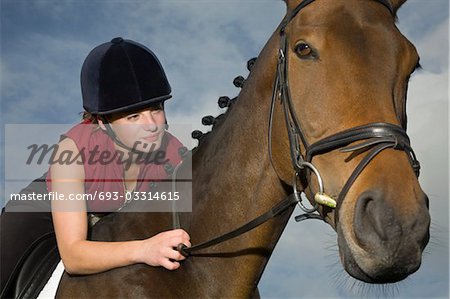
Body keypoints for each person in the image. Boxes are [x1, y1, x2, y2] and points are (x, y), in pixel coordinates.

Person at [0, 37, 191, 297]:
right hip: (41, 212)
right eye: (133, 116)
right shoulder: (72, 151)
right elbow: (74, 257)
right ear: (102, 122)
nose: (152, 125)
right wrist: (143, 249)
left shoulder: (174, 155)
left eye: (156, 109)